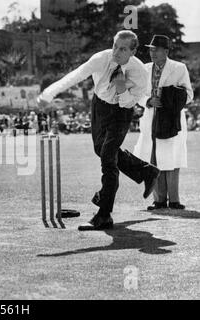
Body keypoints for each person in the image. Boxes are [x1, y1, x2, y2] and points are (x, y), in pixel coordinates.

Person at [38, 30, 160, 231]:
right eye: (114, 46)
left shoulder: (139, 72)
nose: (116, 52)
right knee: (100, 150)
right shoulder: (100, 59)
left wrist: (121, 86)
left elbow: (131, 101)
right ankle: (146, 171)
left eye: (122, 49)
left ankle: (104, 215)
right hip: (99, 106)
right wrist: (48, 94)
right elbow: (75, 76)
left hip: (122, 112)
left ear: (133, 51)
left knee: (107, 159)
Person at [133, 35, 193, 210]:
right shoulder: (144, 69)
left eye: (156, 49)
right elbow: (137, 93)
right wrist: (148, 101)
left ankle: (174, 200)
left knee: (172, 156)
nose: (152, 52)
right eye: (151, 49)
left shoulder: (179, 68)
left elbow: (188, 94)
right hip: (151, 117)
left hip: (171, 118)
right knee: (154, 157)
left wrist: (169, 100)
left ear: (166, 51)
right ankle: (158, 200)